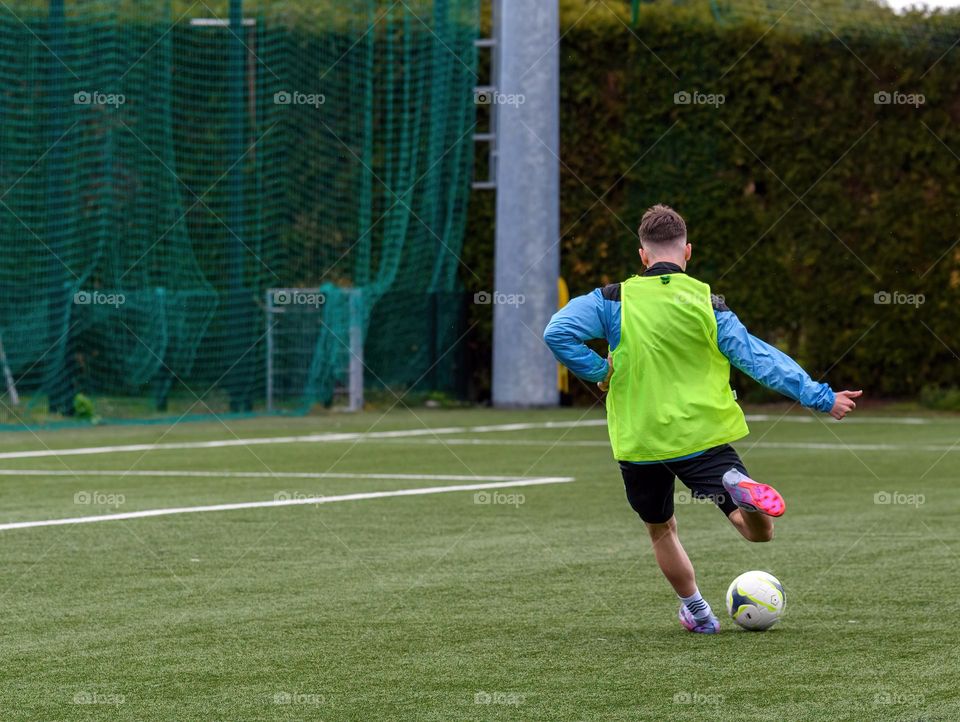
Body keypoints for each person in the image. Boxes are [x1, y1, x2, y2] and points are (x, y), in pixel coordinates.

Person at [543, 204, 862, 633]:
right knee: (758, 535)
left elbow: (556, 333)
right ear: (687, 252)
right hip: (703, 436)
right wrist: (821, 397)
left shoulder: (612, 299)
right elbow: (758, 358)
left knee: (662, 529)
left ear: (642, 255)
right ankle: (742, 492)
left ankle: (697, 611)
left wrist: (601, 371)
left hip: (641, 441)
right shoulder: (707, 302)